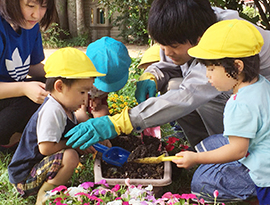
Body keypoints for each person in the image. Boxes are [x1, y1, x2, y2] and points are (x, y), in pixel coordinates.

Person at [64, 0, 270, 200]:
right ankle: (216, 155)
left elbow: (188, 95)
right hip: (255, 120)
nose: (167, 53)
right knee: (175, 89)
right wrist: (153, 74)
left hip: (259, 135)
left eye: (172, 46)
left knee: (204, 184)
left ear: (198, 39)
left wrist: (121, 122)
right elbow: (179, 65)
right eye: (162, 45)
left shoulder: (227, 47)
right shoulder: (193, 22)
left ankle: (235, 163)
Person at [173, 19, 269, 204]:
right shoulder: (262, 84)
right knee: (212, 142)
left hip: (265, 175)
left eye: (211, 68)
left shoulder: (240, 103)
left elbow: (238, 151)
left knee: (202, 183)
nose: (207, 75)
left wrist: (196, 158)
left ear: (237, 67)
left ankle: (251, 194)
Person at [8, 47, 105, 205]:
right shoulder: (52, 111)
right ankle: (46, 192)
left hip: (39, 168)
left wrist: (94, 138)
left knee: (71, 152)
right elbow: (45, 148)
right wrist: (76, 144)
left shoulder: (64, 106)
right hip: (24, 177)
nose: (85, 98)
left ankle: (54, 180)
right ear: (59, 87)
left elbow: (80, 122)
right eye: (82, 92)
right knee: (70, 156)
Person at [0, 0, 56, 152]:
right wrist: (24, 88)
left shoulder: (31, 26)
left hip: (13, 98)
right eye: (30, 6)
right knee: (33, 98)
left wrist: (63, 75)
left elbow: (32, 66)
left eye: (43, 6)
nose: (37, 14)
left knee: (56, 85)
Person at [74, 36, 131, 153]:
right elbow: (77, 112)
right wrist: (83, 116)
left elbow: (102, 98)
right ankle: (93, 140)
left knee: (103, 113)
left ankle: (103, 139)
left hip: (95, 101)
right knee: (81, 118)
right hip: (77, 106)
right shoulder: (78, 85)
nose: (101, 89)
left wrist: (99, 101)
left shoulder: (102, 87)